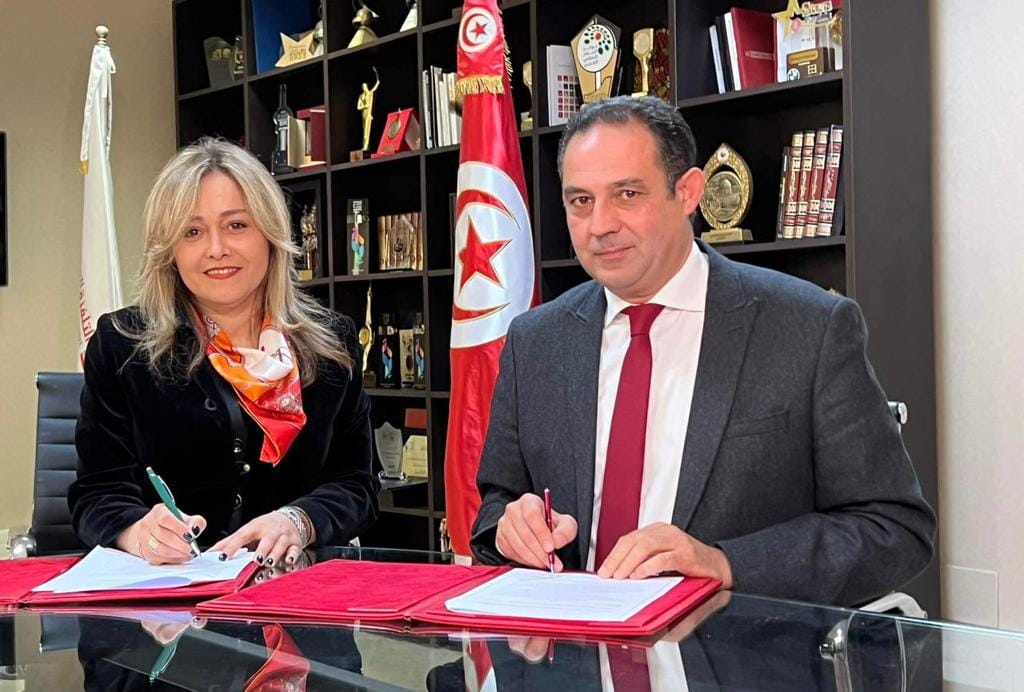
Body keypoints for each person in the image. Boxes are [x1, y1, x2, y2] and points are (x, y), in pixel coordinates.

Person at [470, 96, 935, 607]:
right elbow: (495, 508)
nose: (600, 225)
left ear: (688, 191)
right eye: (581, 201)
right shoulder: (535, 341)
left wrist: (724, 564)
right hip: (569, 648)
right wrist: (510, 529)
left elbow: (894, 529)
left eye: (627, 194)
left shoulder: (809, 328)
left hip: (737, 647)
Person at [69, 138, 378, 567]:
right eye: (192, 232)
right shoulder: (122, 344)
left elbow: (357, 484)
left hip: (293, 587)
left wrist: (299, 521)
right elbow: (96, 493)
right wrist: (137, 531)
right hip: (169, 592)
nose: (217, 249)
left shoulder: (331, 343)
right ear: (170, 251)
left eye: (236, 225)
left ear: (270, 234)